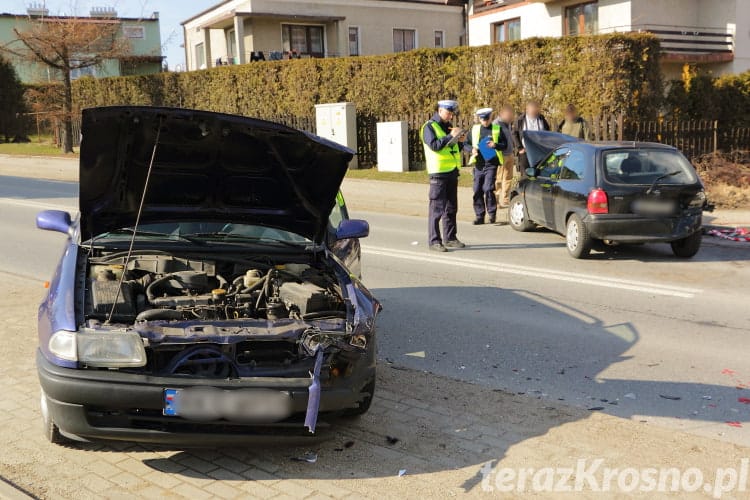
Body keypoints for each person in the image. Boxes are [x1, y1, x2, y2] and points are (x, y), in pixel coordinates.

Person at [421, 99, 467, 252]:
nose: (450, 116)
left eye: (451, 113)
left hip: (452, 172)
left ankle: (450, 238)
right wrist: (450, 136)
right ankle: (434, 241)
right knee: (436, 209)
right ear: (440, 110)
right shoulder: (429, 127)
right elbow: (434, 145)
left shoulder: (447, 127)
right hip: (438, 174)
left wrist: (460, 141)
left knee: (451, 208)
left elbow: (451, 148)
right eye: (448, 113)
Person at [464, 108, 507, 224]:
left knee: (488, 188)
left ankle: (492, 214)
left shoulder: (497, 129)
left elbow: (505, 145)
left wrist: (495, 145)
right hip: (478, 164)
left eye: (487, 119)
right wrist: (471, 149)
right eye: (483, 119)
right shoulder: (474, 129)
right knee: (477, 190)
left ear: (490, 117)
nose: (485, 122)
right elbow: (465, 144)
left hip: (491, 163)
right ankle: (479, 216)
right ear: (479, 119)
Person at [513, 101, 550, 175]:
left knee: (539, 174)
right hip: (525, 152)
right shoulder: (520, 120)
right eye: (532, 112)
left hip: (539, 152)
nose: (534, 114)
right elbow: (514, 134)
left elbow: (547, 132)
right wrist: (520, 148)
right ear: (527, 110)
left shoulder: (541, 119)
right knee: (525, 175)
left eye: (535, 112)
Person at [493, 104, 516, 207]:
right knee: (498, 178)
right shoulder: (496, 124)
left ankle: (505, 199)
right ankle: (496, 200)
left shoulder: (508, 123)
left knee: (508, 178)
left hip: (510, 154)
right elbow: (494, 141)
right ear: (501, 114)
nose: (510, 118)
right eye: (508, 115)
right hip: (500, 155)